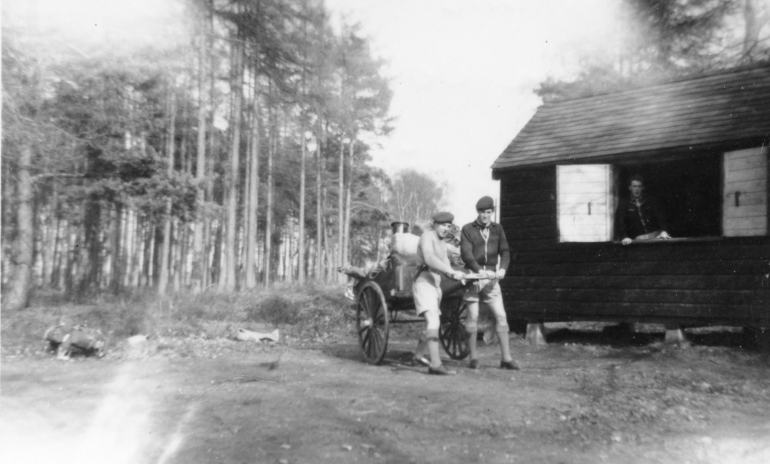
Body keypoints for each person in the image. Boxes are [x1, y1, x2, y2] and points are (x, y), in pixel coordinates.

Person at [460, 196, 519, 370]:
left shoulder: (497, 229)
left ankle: (506, 359)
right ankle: (473, 358)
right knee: (473, 317)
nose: (485, 216)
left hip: (492, 279)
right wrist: (480, 271)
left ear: (492, 212)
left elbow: (505, 251)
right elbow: (467, 255)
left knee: (501, 316)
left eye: (488, 212)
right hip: (473, 277)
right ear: (477, 212)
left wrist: (502, 269)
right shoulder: (467, 229)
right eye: (482, 212)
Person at [411, 211, 467, 375]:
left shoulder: (443, 244)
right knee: (433, 321)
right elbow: (429, 258)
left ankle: (418, 356)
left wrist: (459, 274)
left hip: (435, 285)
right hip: (423, 282)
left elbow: (446, 267)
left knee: (430, 323)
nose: (446, 229)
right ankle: (435, 364)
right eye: (443, 225)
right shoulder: (426, 237)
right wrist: (450, 271)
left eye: (449, 226)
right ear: (434, 224)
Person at [616, 175, 672, 245]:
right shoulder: (624, 203)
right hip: (637, 239)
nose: (637, 189)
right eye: (634, 186)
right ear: (630, 188)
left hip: (655, 236)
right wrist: (624, 237)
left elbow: (660, 217)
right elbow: (620, 221)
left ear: (643, 188)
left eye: (639, 186)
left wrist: (664, 231)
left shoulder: (650, 201)